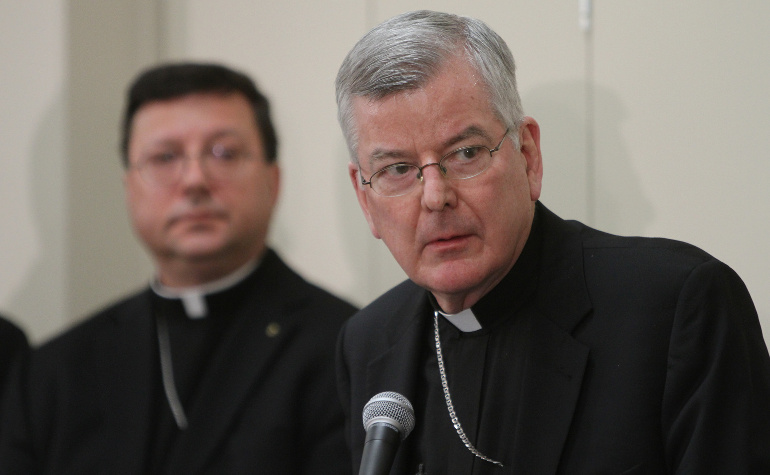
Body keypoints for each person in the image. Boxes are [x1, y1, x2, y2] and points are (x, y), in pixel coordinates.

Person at [335, 10, 770, 474]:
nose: (435, 197)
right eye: (397, 170)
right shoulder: (366, 343)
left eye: (465, 153)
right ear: (365, 199)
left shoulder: (676, 307)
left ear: (528, 156)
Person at [0, 62, 357, 474]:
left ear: (273, 180)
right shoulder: (51, 375)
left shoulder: (345, 349)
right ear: (128, 188)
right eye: (164, 157)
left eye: (223, 152)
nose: (194, 180)